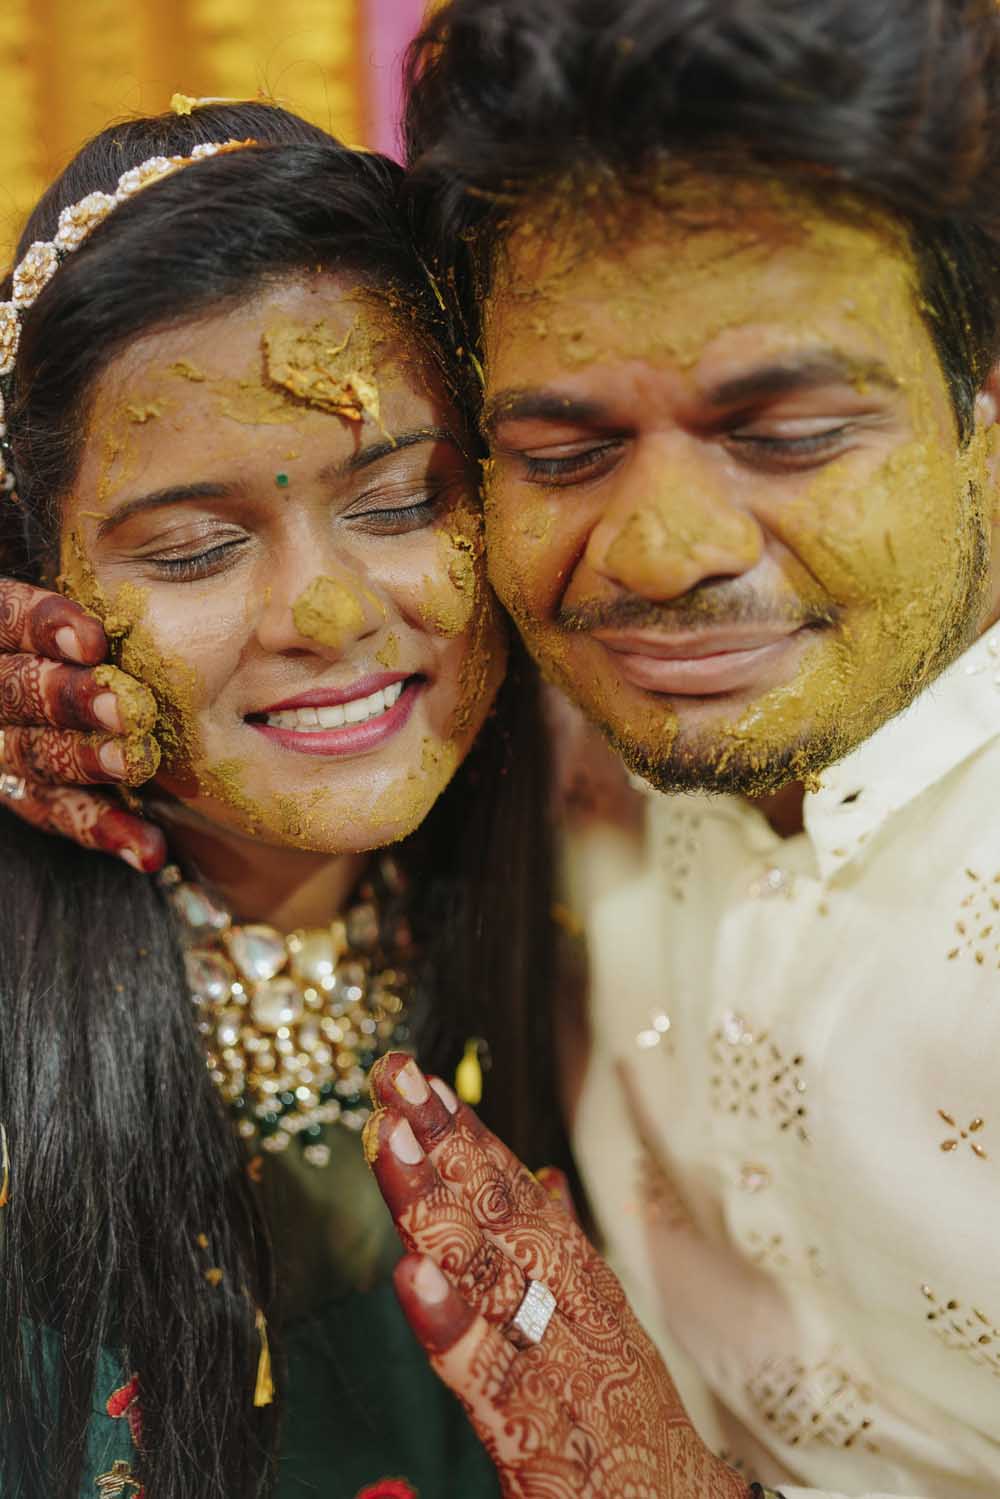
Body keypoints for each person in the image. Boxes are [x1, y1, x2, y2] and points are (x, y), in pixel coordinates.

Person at [395, 2, 1000, 1496]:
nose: (662, 552)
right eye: (564, 455)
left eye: (786, 434)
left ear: (982, 404)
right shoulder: (519, 702)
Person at [0, 101, 573, 1498]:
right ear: (35, 587)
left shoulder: (613, 846)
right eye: (196, 550)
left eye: (402, 501)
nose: (326, 613)